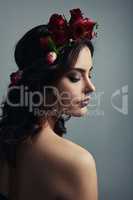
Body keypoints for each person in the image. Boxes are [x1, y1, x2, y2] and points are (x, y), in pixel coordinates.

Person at [0, 8, 99, 200]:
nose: (91, 87)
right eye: (75, 77)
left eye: (90, 74)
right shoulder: (79, 163)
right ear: (42, 81)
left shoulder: (5, 140)